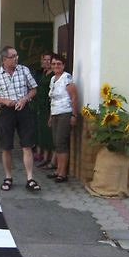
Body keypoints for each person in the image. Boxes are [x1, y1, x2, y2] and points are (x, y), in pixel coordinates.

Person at [0, 46, 41, 192]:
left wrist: (25, 99)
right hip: (7, 112)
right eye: (13, 56)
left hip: (24, 110)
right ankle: (8, 177)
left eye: (17, 55)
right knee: (6, 147)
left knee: (27, 145)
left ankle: (30, 178)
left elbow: (34, 89)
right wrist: (4, 101)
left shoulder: (24, 70)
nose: (16, 58)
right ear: (4, 59)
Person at [47, 54, 78, 182]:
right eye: (53, 64)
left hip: (65, 113)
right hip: (55, 113)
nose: (56, 66)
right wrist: (50, 116)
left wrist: (74, 115)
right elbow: (52, 99)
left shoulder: (66, 78)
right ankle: (58, 170)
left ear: (63, 65)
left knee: (61, 143)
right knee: (56, 143)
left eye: (59, 64)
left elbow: (74, 97)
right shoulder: (53, 78)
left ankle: (63, 173)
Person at [35, 51, 56, 168]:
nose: (46, 62)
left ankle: (52, 160)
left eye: (49, 60)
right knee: (43, 134)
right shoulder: (44, 73)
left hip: (50, 107)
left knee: (50, 134)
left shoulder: (53, 75)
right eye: (44, 60)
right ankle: (45, 157)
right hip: (41, 107)